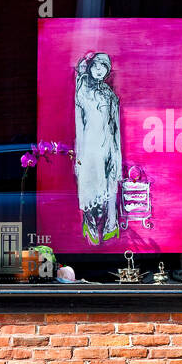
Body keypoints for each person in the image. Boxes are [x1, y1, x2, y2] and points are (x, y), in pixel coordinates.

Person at [74, 51, 122, 245]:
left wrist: (116, 153)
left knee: (109, 188)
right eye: (96, 66)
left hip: (109, 147)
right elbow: (80, 125)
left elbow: (115, 127)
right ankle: (90, 222)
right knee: (91, 189)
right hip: (90, 149)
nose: (99, 70)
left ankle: (110, 224)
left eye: (103, 67)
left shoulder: (110, 95)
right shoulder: (83, 92)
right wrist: (80, 154)